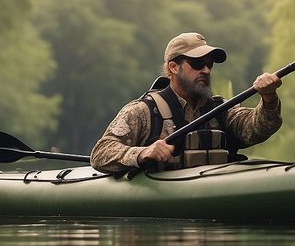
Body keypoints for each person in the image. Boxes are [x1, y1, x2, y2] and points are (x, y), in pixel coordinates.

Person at [90, 32, 282, 174]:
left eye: (210, 64)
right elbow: (100, 153)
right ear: (173, 67)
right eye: (197, 64)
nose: (206, 70)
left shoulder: (221, 110)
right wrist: (142, 152)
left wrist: (269, 98)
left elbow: (257, 128)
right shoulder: (143, 111)